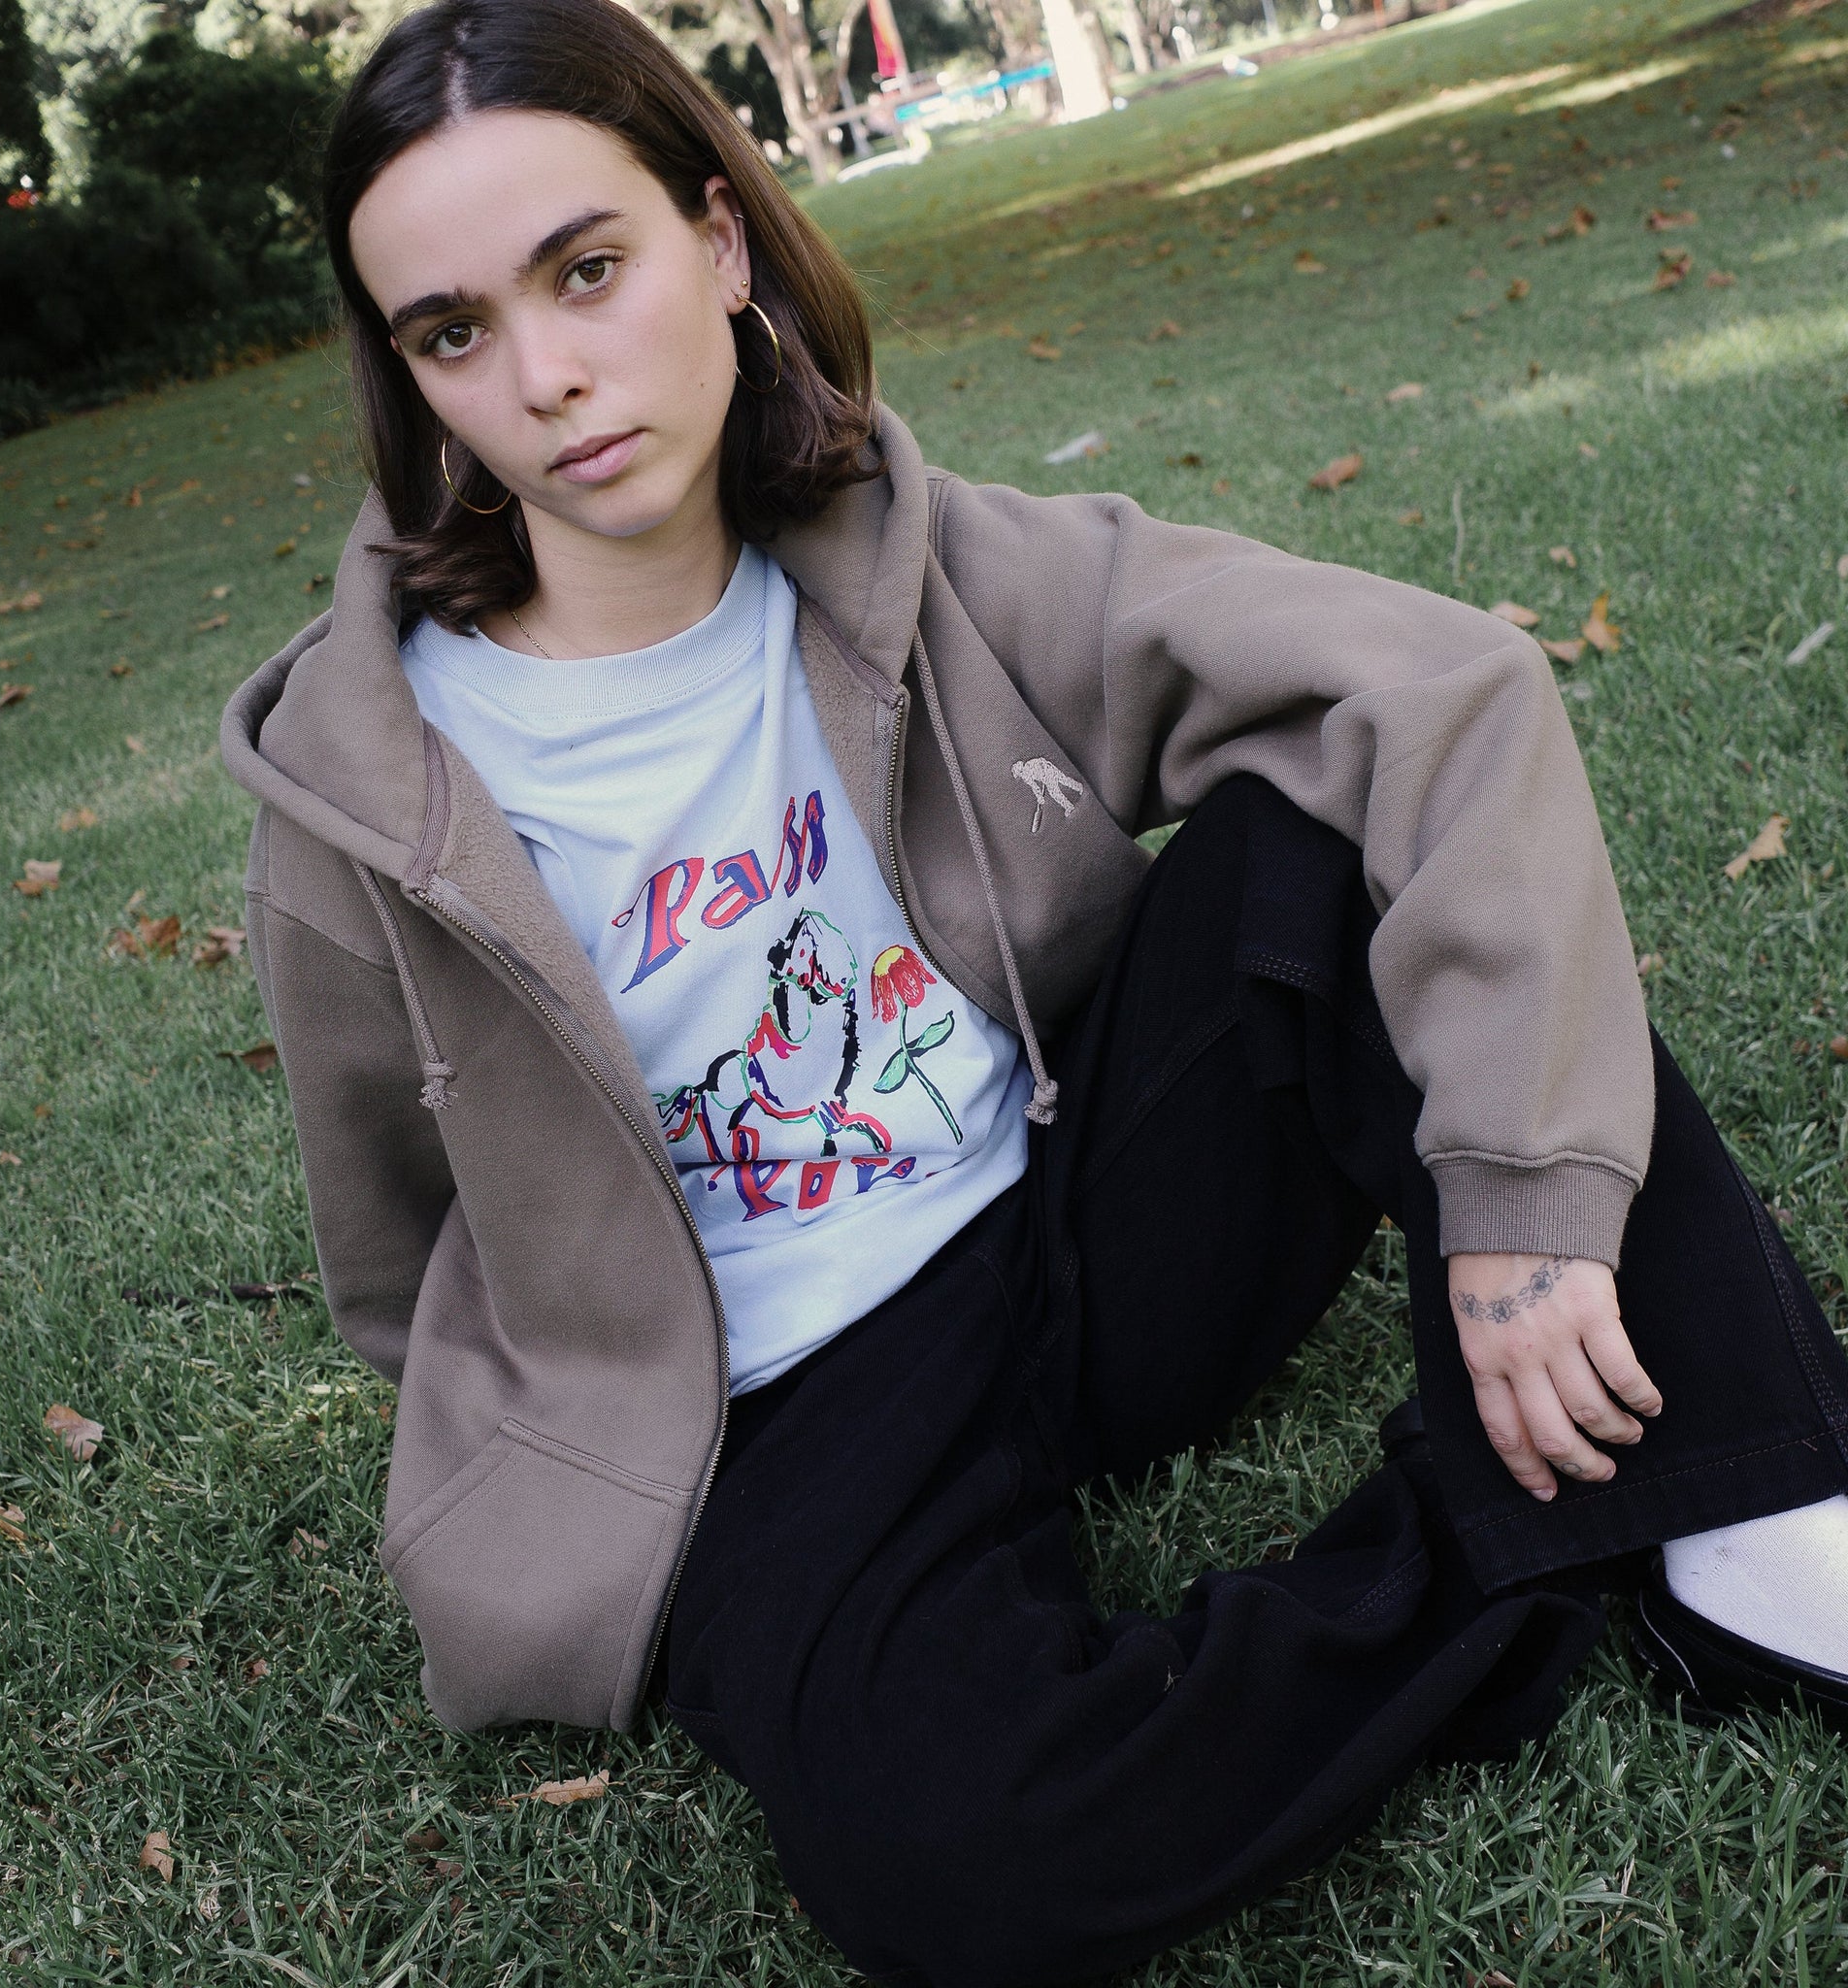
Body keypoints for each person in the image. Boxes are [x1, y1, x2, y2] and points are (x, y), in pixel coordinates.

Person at [218, 0, 1848, 1979]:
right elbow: (394, 1249)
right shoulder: (362, 789)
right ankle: (1550, 1531)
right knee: (958, 1864)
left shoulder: (932, 564)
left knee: (1319, 850)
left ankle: (1758, 1520)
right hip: (766, 1412)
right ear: (410, 377)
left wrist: (1521, 1199)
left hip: (1084, 1240)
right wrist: (586, 1451)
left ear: (717, 243)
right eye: (453, 331)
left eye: (586, 268)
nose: (546, 376)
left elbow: (1444, 694)